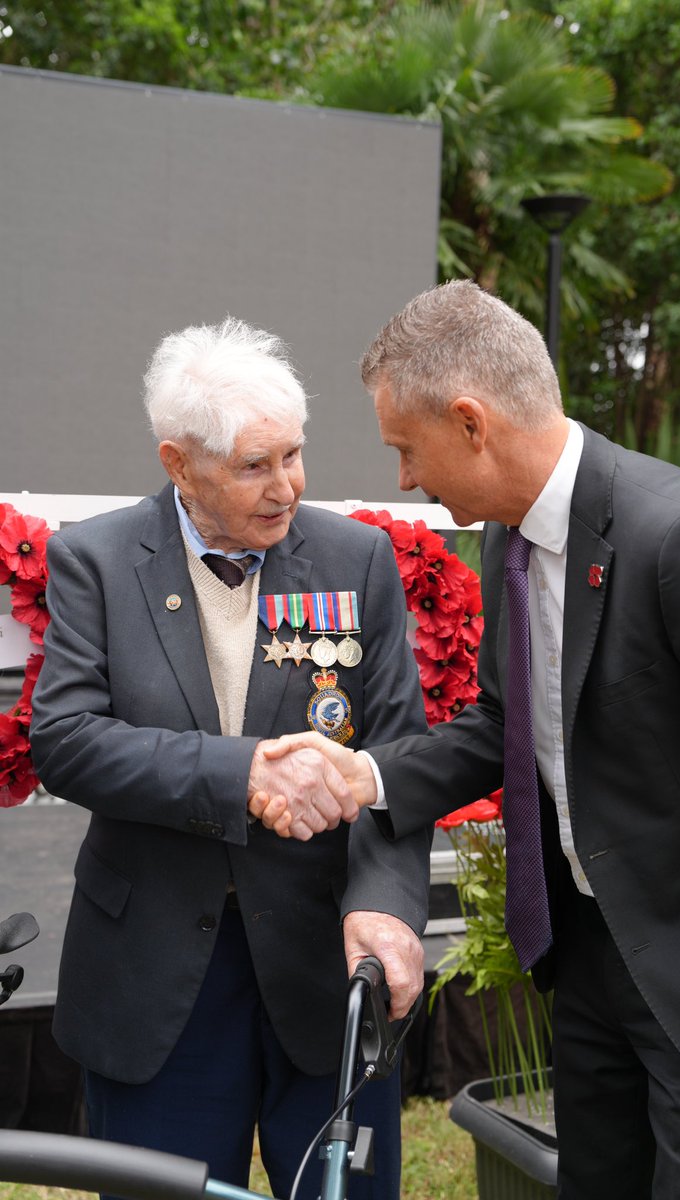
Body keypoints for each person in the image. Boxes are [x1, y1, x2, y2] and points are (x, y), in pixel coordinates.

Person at [256, 280, 680, 1200]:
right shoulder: (509, 541)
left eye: (406, 449)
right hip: (592, 965)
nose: (404, 481)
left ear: (470, 423)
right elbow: (509, 728)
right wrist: (366, 775)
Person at [29, 317, 431, 1200]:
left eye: (294, 454)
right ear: (178, 463)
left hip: (328, 964)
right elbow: (65, 739)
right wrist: (241, 775)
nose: (286, 486)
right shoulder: (97, 560)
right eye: (255, 466)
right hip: (158, 979)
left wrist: (391, 911)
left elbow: (402, 759)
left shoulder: (357, 560)